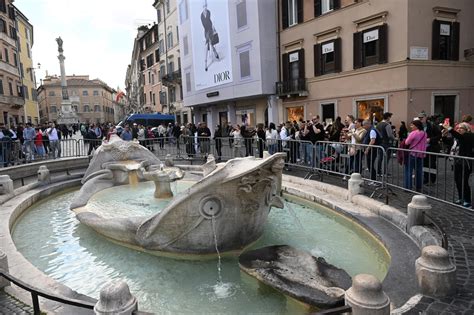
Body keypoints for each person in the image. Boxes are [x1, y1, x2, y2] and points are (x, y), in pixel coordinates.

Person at [442, 122, 473, 208]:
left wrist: (450, 128)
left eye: (461, 128)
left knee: (464, 181)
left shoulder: (468, 136)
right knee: (458, 181)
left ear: (467, 129)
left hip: (466, 162)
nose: (459, 129)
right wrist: (444, 135)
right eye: (458, 128)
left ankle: (467, 200)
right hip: (457, 162)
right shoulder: (457, 138)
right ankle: (461, 198)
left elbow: (460, 137)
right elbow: (447, 141)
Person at [403, 120, 427, 192]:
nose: (411, 127)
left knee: (408, 170)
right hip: (421, 154)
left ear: (416, 126)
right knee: (419, 171)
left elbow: (407, 142)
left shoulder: (413, 133)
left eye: (412, 125)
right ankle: (418, 187)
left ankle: (408, 187)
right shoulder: (424, 133)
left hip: (413, 153)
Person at [418, 112, 441, 185]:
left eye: (422, 118)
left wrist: (430, 139)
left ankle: (432, 180)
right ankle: (426, 178)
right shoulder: (420, 126)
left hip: (432, 148)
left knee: (432, 164)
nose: (420, 119)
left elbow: (439, 135)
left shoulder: (432, 125)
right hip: (423, 148)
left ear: (425, 117)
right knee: (425, 164)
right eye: (419, 118)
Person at [201, 1, 219, 72]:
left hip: (210, 29)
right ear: (202, 7)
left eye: (206, 5)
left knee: (211, 44)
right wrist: (208, 32)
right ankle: (206, 63)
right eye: (204, 6)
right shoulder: (201, 15)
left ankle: (215, 54)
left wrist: (213, 28)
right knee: (208, 45)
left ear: (206, 6)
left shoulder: (209, 12)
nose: (205, 7)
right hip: (206, 31)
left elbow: (210, 21)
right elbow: (204, 24)